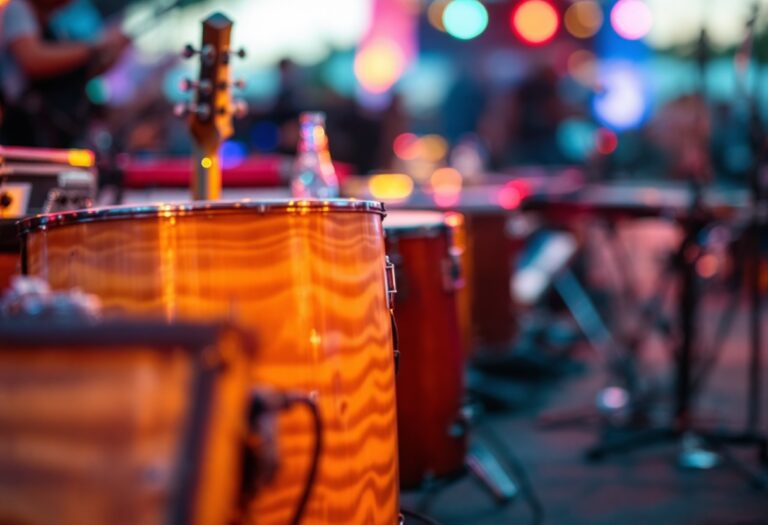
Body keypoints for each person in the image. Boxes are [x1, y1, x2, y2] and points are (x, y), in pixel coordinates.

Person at [0, 0, 130, 147]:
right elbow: (33, 60)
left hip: (52, 128)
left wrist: (109, 55)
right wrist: (93, 47)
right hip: (23, 126)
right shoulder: (18, 8)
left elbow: (73, 76)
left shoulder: (54, 20)